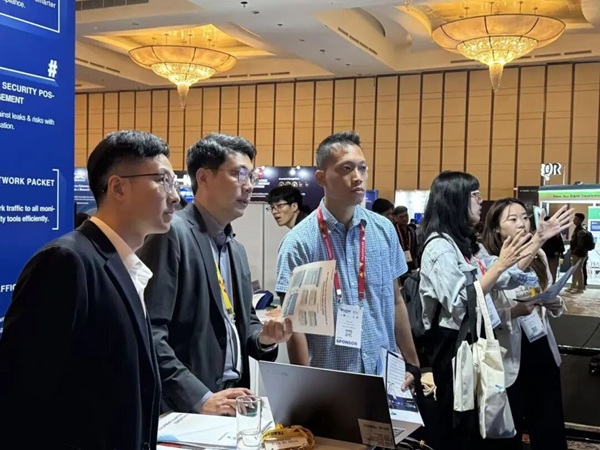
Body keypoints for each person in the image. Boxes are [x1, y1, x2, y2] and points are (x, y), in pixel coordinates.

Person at [0, 130, 179, 449]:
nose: (175, 196)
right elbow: (24, 394)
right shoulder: (66, 262)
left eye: (174, 182)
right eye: (162, 180)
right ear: (118, 187)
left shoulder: (123, 264)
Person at [139, 133, 292, 417]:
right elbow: (150, 333)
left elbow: (245, 323)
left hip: (233, 399)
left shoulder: (235, 249)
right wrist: (199, 398)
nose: (249, 186)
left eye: (251, 177)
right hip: (186, 408)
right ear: (204, 177)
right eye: (238, 174)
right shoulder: (171, 234)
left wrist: (265, 339)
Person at [276, 131, 419, 385]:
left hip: (384, 374)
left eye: (362, 168)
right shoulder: (299, 243)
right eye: (346, 168)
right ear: (321, 177)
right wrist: (305, 386)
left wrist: (413, 363)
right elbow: (294, 326)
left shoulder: (384, 230)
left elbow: (396, 300)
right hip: (331, 380)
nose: (357, 177)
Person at [419, 171, 535, 450]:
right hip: (453, 344)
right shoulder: (439, 247)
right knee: (460, 419)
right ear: (455, 200)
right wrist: (500, 265)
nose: (481, 200)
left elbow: (503, 276)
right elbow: (461, 301)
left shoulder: (469, 244)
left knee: (481, 415)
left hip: (473, 338)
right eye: (474, 195)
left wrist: (534, 246)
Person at [481, 198, 572, 450]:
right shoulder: (490, 261)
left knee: (549, 422)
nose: (522, 223)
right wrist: (515, 312)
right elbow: (485, 313)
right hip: (509, 352)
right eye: (513, 219)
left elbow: (548, 294)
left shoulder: (538, 255)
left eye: (524, 217)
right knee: (511, 424)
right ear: (496, 227)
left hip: (540, 345)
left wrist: (554, 302)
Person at [393, 205, 419, 272]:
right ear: (395, 218)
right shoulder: (393, 230)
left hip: (411, 264)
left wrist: (416, 264)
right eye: (401, 217)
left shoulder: (411, 230)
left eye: (406, 215)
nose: (404, 218)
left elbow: (415, 248)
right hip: (397, 264)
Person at [568, 212, 588, 293]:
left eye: (576, 219)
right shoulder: (577, 229)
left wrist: (574, 252)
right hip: (577, 253)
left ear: (580, 220)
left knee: (578, 270)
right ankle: (573, 285)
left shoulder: (581, 231)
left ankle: (580, 288)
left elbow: (579, 244)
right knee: (575, 270)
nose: (574, 220)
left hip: (579, 254)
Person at [541, 219, 565, 284]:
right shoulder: (545, 231)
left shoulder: (555, 232)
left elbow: (559, 243)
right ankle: (548, 284)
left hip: (552, 255)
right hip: (547, 254)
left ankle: (550, 284)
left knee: (551, 271)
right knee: (549, 271)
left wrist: (559, 252)